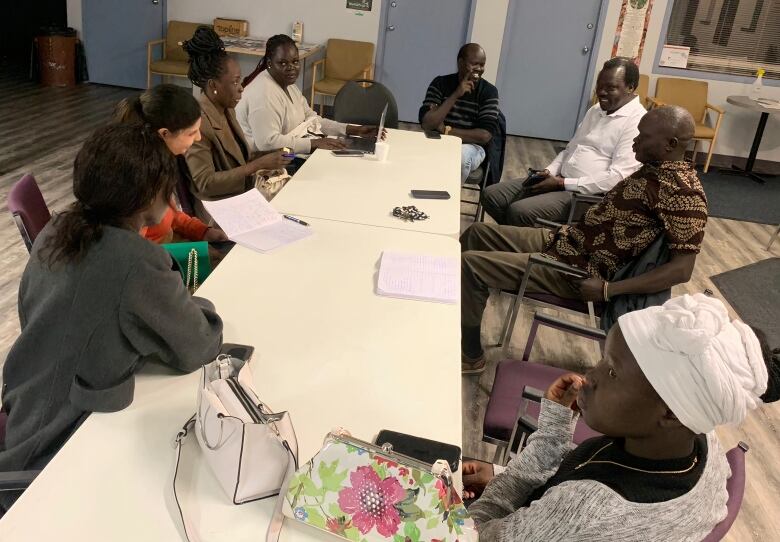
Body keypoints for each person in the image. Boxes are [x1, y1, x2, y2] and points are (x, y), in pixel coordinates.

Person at [0, 124, 224, 513]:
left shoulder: (57, 228)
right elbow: (198, 346)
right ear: (147, 198)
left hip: (25, 403)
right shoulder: (135, 261)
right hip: (57, 445)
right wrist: (195, 304)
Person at [462, 294, 776, 541]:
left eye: (612, 370)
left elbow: (472, 536)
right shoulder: (704, 442)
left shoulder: (586, 511)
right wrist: (519, 473)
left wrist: (508, 486)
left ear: (669, 412)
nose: (591, 375)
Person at [461, 106, 708, 374]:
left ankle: (471, 354)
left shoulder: (684, 195)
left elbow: (682, 270)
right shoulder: (654, 170)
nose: (635, 141)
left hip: (576, 271)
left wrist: (607, 290)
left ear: (670, 144)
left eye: (643, 136)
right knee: (477, 233)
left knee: (471, 266)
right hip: (566, 241)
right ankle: (454, 309)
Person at [481, 57, 646, 226]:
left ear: (630, 88)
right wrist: (548, 171)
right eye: (599, 86)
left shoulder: (638, 122)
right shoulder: (596, 110)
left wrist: (563, 183)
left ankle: (524, 240)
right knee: (492, 196)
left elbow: (617, 178)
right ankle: (520, 238)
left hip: (587, 197)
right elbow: (570, 150)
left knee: (519, 212)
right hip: (561, 180)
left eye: (610, 88)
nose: (601, 92)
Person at [182, 26, 291, 221]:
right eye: (235, 82)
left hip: (239, 196)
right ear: (214, 86)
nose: (241, 88)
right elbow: (205, 183)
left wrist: (268, 156)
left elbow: (238, 158)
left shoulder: (226, 109)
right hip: (215, 210)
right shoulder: (198, 124)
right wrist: (256, 165)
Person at [114, 84, 229, 244]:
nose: (198, 139)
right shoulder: (137, 185)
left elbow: (171, 215)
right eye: (191, 133)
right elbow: (137, 251)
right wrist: (190, 252)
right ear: (164, 134)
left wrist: (203, 232)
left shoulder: (160, 165)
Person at [236, 34, 379, 156]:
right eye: (283, 63)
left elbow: (313, 120)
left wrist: (353, 129)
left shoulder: (288, 85)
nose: (291, 68)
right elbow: (267, 143)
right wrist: (314, 144)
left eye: (295, 61)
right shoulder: (264, 94)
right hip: (266, 158)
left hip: (286, 150)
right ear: (269, 63)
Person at [419, 43, 500, 183]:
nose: (479, 69)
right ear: (461, 63)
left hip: (471, 147)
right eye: (475, 64)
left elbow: (484, 136)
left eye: (482, 65)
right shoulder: (440, 83)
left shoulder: (489, 92)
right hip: (437, 141)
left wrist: (446, 130)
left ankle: (447, 200)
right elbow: (427, 123)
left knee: (459, 157)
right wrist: (456, 94)